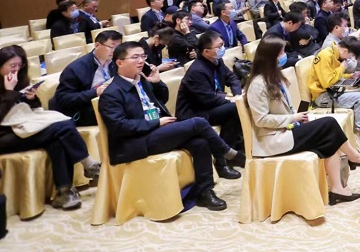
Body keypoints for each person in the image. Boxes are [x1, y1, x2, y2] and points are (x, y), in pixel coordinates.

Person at [98, 41, 242, 211]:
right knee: (199, 122)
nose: (141, 61)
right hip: (136, 141)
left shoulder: (141, 80)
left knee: (200, 143)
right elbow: (119, 126)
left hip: (156, 131)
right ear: (119, 62)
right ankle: (227, 153)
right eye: (135, 57)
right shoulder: (112, 93)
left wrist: (157, 83)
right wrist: (156, 123)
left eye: (143, 56)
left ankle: (205, 192)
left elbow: (162, 100)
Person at [245, 35, 360, 205]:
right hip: (273, 139)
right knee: (329, 124)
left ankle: (337, 188)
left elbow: (286, 108)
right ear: (270, 57)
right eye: (281, 53)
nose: (285, 56)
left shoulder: (275, 77)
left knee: (330, 138)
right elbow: (261, 120)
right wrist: (293, 118)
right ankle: (354, 157)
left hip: (287, 128)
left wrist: (298, 118)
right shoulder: (258, 84)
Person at [0, 45, 101, 210]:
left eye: (20, 65)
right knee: (64, 127)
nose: (16, 69)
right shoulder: (10, 84)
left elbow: (30, 110)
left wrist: (31, 99)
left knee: (58, 139)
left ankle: (64, 192)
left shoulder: (18, 79)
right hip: (4, 136)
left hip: (23, 126)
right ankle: (89, 165)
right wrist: (10, 92)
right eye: (12, 66)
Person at [175, 31, 244, 176]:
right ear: (206, 51)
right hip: (194, 113)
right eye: (219, 46)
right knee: (233, 108)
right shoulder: (197, 71)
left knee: (238, 106)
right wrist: (229, 99)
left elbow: (232, 78)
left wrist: (237, 95)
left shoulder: (217, 61)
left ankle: (232, 151)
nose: (222, 48)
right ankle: (222, 161)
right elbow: (208, 99)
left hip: (209, 107)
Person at [49, 30, 127, 126]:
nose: (115, 51)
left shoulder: (115, 62)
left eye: (118, 47)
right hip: (84, 109)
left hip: (110, 101)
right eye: (111, 47)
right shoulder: (76, 68)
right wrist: (95, 92)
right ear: (97, 45)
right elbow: (63, 98)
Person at [308, 35, 360, 140]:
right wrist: (342, 68)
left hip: (334, 88)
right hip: (323, 96)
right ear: (345, 50)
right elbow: (327, 83)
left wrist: (350, 76)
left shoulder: (335, 53)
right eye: (350, 56)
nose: (349, 59)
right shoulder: (325, 56)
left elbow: (334, 76)